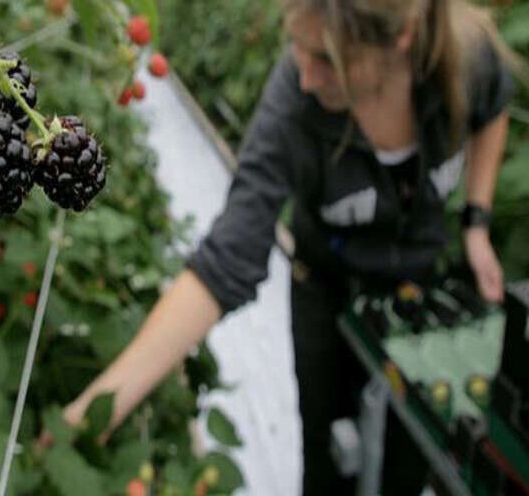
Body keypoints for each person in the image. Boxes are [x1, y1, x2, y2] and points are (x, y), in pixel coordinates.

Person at [60, 0, 526, 494]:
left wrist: (477, 222)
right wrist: (96, 409)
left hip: (419, 285)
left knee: (412, 453)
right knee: (326, 457)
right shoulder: (296, 104)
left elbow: (493, 109)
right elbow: (228, 255)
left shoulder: (464, 58)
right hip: (324, 291)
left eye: (325, 57)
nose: (305, 75)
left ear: (401, 38)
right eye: (297, 46)